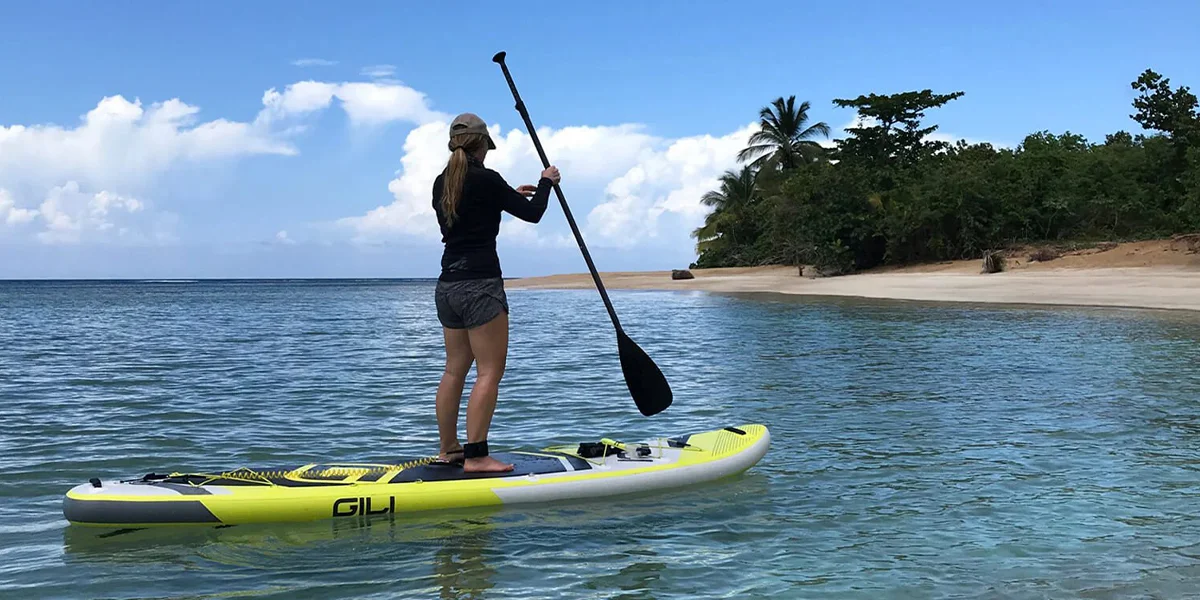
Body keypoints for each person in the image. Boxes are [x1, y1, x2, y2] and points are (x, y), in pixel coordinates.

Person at [430, 112, 561, 473]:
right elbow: (534, 214)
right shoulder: (487, 180)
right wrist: (546, 181)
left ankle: (449, 450)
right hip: (480, 286)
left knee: (454, 370)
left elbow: (469, 213)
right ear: (482, 145)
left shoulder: (442, 183)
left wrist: (506, 196)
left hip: (447, 286)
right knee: (489, 372)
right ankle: (477, 456)